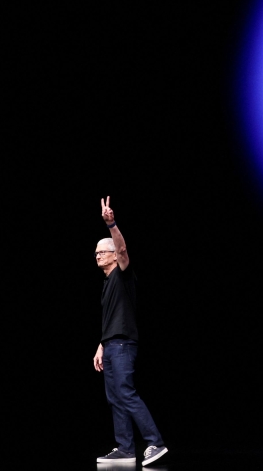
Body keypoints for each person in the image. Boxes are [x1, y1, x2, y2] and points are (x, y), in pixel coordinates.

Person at [93, 196, 168, 466]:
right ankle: (125, 448)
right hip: (112, 344)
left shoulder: (122, 274)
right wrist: (101, 345)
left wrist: (112, 225)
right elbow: (112, 318)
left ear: (114, 255)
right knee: (114, 397)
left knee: (125, 391)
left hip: (124, 345)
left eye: (103, 251)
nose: (98, 255)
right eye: (96, 252)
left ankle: (155, 442)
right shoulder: (106, 286)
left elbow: (124, 251)